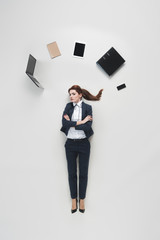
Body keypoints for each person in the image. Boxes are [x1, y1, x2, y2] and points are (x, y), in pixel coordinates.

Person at [60, 85, 103, 213]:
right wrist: (81, 121)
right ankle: (74, 199)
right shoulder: (68, 107)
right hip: (70, 144)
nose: (71, 96)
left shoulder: (88, 108)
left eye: (73, 94)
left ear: (80, 94)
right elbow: (64, 124)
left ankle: (82, 199)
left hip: (84, 144)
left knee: (83, 174)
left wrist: (74, 123)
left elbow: (88, 127)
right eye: (70, 94)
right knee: (72, 173)